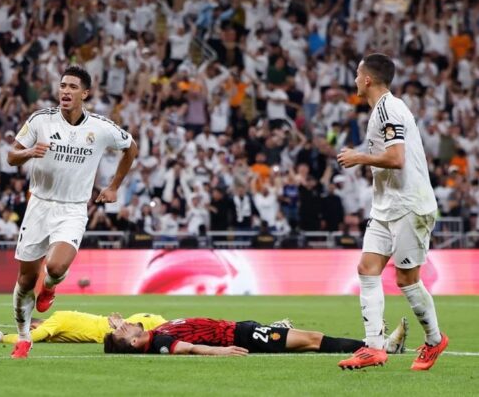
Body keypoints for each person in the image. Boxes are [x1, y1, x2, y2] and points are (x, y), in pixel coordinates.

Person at [6, 65, 138, 358]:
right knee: (26, 281)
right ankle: (24, 337)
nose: (65, 91)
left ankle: (50, 287)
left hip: (74, 209)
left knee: (54, 268)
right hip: (39, 205)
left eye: (72, 87)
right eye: (63, 86)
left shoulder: (101, 128)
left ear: (85, 93)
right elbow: (11, 155)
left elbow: (131, 148)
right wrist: (28, 153)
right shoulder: (40, 120)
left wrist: (114, 186)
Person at [336, 53, 448, 370]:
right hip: (386, 206)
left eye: (358, 75)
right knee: (367, 268)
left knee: (406, 280)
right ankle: (373, 347)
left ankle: (435, 339)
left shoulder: (388, 109)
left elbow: (396, 158)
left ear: (368, 79)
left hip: (410, 205)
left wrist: (359, 157)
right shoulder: (378, 111)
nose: (356, 80)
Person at [103, 316, 408, 357]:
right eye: (123, 330)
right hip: (244, 335)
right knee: (314, 339)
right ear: (132, 343)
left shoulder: (154, 332)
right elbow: (188, 348)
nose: (125, 324)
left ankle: (378, 345)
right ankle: (381, 348)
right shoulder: (159, 343)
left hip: (244, 328)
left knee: (307, 338)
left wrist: (117, 322)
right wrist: (220, 352)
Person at [0, 311, 167, 344]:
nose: (33, 331)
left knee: (175, 330)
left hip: (125, 327)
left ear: (36, 325)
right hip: (124, 325)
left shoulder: (56, 320)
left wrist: (0, 337)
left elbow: (29, 339)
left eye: (32, 328)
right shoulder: (61, 319)